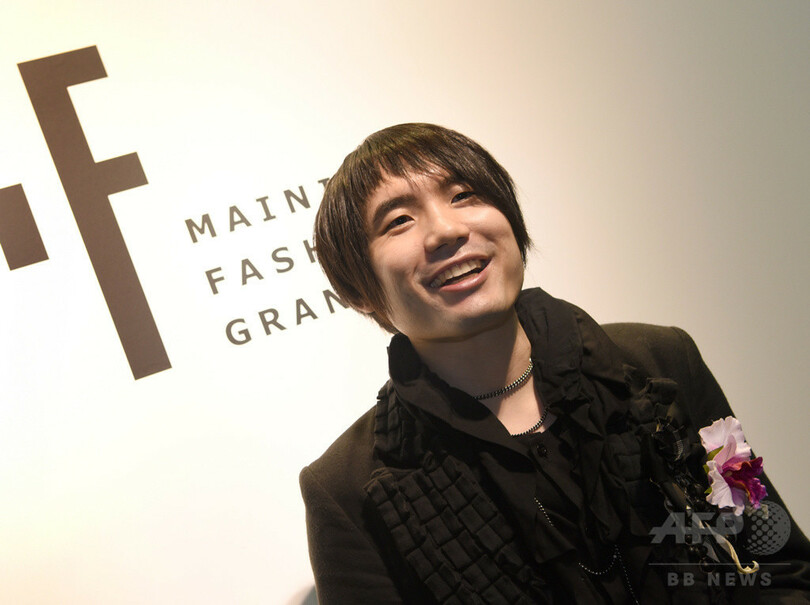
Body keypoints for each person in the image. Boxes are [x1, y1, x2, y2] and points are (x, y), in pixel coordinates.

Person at [300, 123, 810, 603]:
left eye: (464, 195)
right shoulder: (346, 487)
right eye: (399, 221)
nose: (446, 230)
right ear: (360, 290)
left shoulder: (658, 361)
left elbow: (777, 562)